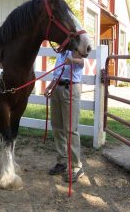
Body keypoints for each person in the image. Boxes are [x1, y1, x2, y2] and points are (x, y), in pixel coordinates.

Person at [44, 50, 84, 182]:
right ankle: (62, 161)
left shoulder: (76, 49)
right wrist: (50, 87)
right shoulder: (60, 53)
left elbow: (82, 62)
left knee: (71, 129)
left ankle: (77, 167)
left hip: (70, 89)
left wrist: (72, 60)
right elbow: (57, 74)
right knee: (57, 126)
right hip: (57, 88)